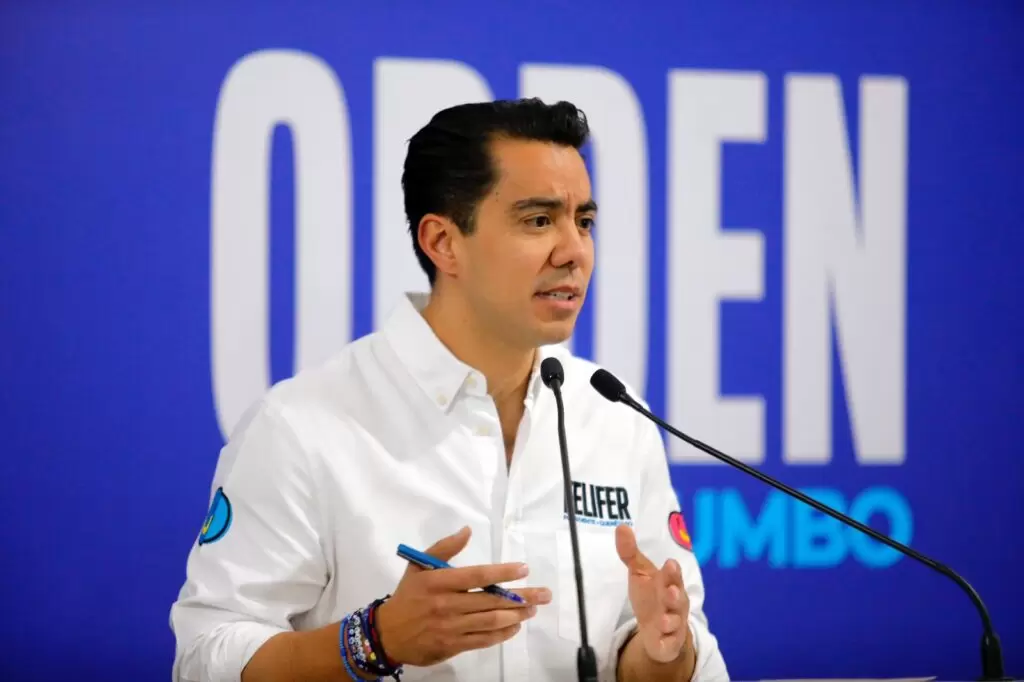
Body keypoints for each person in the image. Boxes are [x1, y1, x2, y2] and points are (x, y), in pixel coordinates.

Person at [170, 98, 729, 682]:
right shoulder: (304, 425)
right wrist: (376, 640)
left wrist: (663, 653)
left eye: (583, 222)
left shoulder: (615, 417)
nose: (574, 252)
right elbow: (206, 657)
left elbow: (672, 651)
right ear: (443, 242)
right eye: (539, 221)